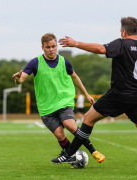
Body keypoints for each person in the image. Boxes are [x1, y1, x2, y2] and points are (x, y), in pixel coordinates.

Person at [51, 17, 137, 174]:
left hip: (118, 95)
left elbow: (100, 49)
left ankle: (69, 154)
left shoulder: (122, 43)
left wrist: (76, 43)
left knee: (88, 119)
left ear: (124, 31)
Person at [12, 33, 105, 164]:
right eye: (48, 47)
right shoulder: (35, 63)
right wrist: (17, 80)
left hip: (63, 101)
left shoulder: (64, 62)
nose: (51, 49)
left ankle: (93, 151)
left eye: (53, 46)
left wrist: (86, 94)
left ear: (56, 46)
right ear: (42, 47)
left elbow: (75, 77)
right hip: (46, 107)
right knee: (60, 135)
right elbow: (21, 79)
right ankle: (71, 157)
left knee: (70, 126)